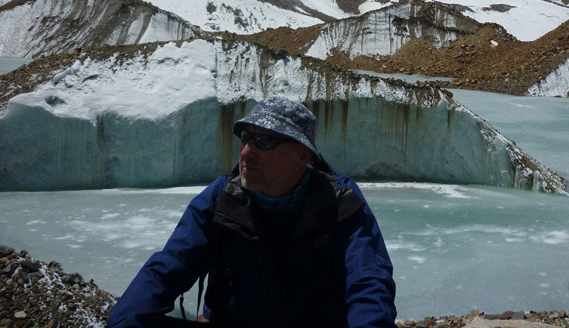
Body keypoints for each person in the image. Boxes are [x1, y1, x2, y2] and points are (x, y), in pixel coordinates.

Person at [106, 97, 397, 328]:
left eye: (265, 141)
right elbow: (166, 270)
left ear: (302, 156)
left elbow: (369, 284)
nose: (246, 152)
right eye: (246, 138)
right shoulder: (222, 198)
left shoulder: (339, 203)